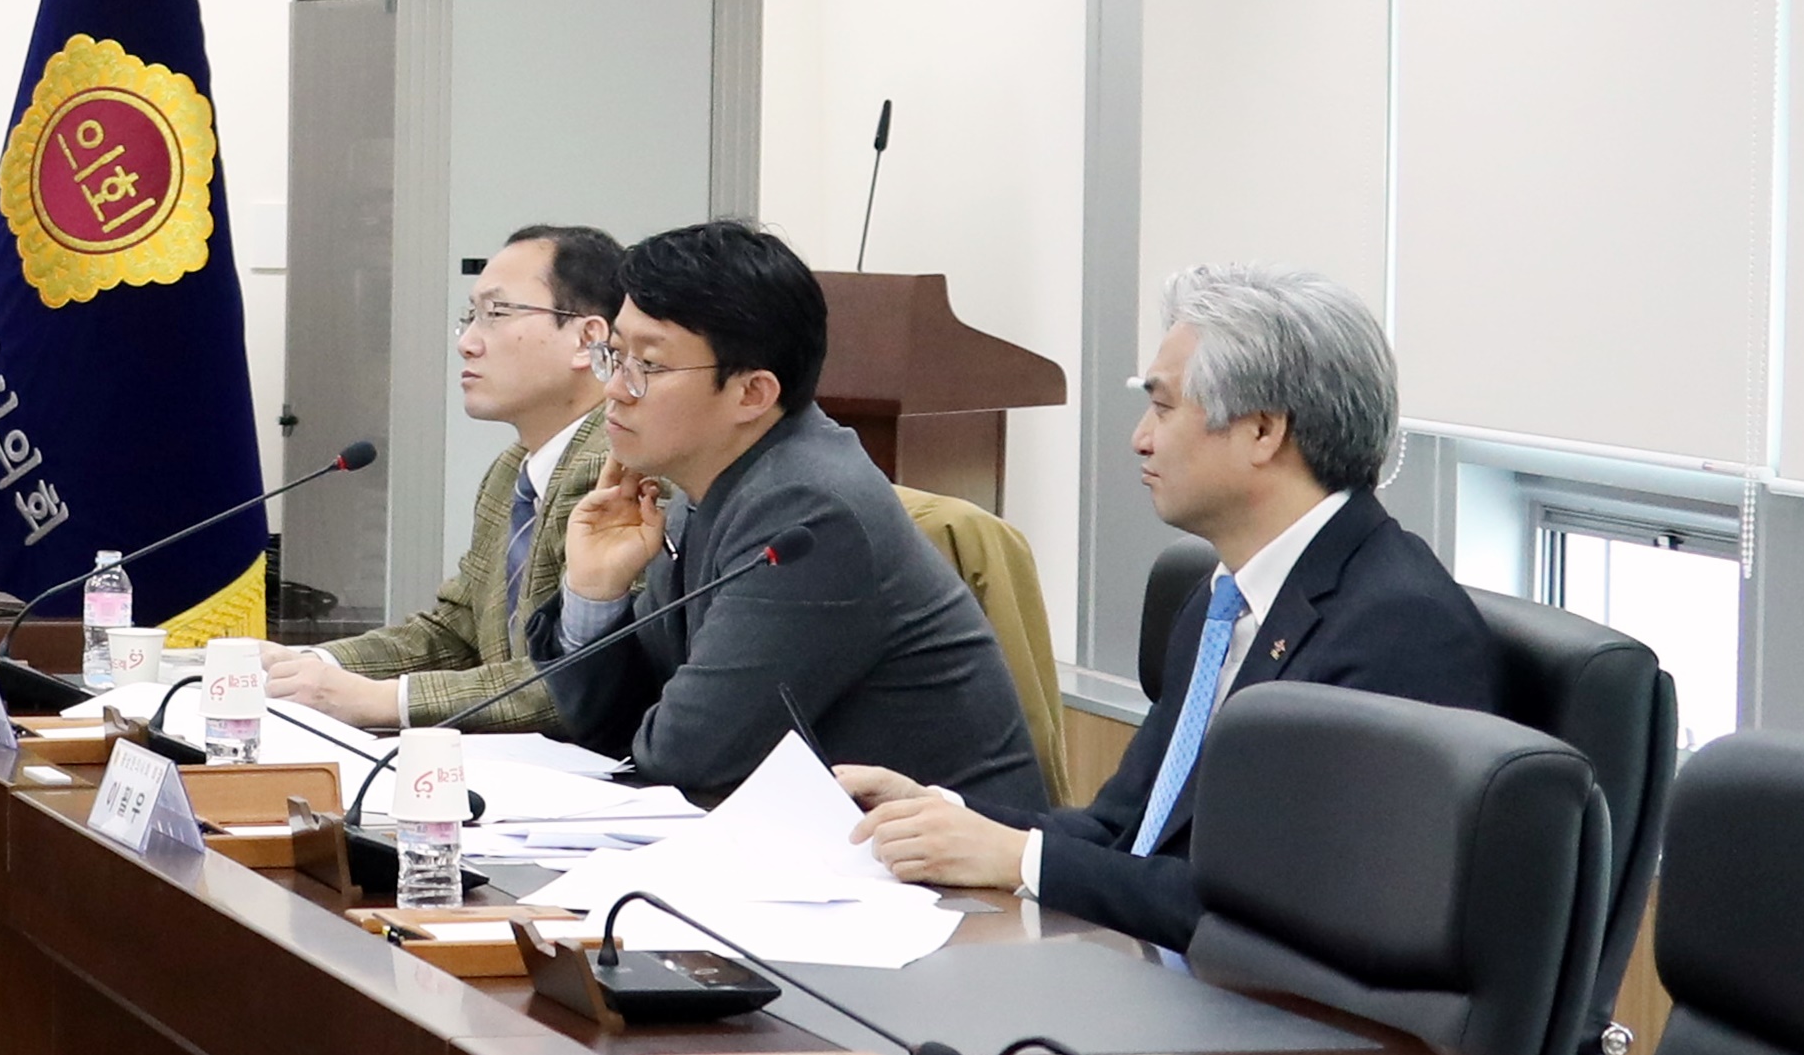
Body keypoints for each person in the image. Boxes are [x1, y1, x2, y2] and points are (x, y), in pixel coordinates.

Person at [845, 263, 1493, 933]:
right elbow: (1121, 833)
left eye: (1162, 407)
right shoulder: (1222, 601)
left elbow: (1284, 909)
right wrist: (937, 816)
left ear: (1263, 431)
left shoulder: (1397, 628)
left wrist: (1022, 859)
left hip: (1259, 997)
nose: (1140, 439)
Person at [532, 221, 1050, 814]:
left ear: (752, 394)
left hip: (935, 860)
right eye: (615, 356)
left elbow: (686, 754)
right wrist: (595, 595)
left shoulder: (808, 511)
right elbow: (622, 731)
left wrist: (641, 731)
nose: (615, 390)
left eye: (647, 365)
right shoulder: (706, 486)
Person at [268, 224, 623, 733]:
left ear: (587, 340)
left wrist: (384, 701)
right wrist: (308, 665)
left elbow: (576, 678)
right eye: (469, 317)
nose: (468, 343)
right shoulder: (512, 471)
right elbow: (456, 632)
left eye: (496, 314)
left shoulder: (620, 473)